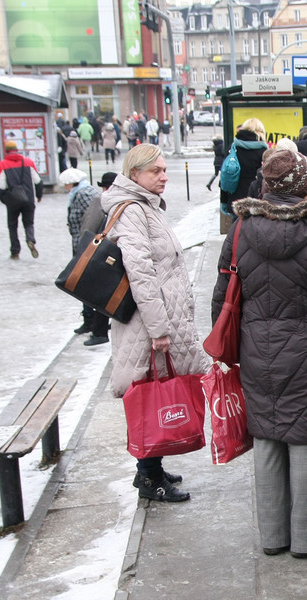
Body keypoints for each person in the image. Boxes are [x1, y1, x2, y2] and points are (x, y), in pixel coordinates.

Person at [212, 148, 307, 558]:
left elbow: (222, 295)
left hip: (256, 354)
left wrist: (233, 346)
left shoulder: (240, 229)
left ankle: (273, 537)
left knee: (267, 438)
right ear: (305, 188)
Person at [98, 145, 208, 502]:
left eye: (164, 169)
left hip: (159, 317)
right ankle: (148, 477)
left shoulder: (146, 206)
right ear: (135, 174)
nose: (164, 176)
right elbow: (141, 273)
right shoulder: (132, 211)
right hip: (148, 325)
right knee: (150, 394)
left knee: (155, 389)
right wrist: (159, 329)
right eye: (156, 171)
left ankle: (152, 468)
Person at [60, 168, 110, 346]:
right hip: (96, 248)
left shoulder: (87, 196)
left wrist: (83, 248)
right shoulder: (85, 194)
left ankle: (93, 324)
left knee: (87, 286)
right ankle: (93, 322)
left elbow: (89, 224)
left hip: (92, 249)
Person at [0, 140, 44, 259]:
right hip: (28, 199)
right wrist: (39, 195)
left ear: (6, 151)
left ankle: (15, 251)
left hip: (12, 201)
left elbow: (0, 186)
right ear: (17, 150)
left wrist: (4, 200)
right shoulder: (28, 162)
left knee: (12, 226)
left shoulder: (2, 165)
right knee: (29, 223)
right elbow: (38, 181)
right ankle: (30, 239)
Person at [219, 119, 269, 214]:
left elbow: (225, 175)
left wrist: (224, 201)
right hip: (257, 200)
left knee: (237, 228)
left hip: (236, 201)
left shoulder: (233, 148)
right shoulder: (263, 150)